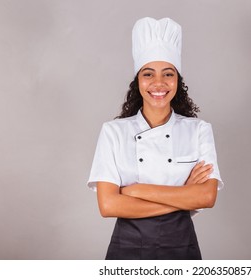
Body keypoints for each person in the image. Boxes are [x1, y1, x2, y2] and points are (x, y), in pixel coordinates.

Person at [87, 17, 223, 260]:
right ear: (138, 81)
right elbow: (108, 206)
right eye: (148, 74)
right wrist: (184, 195)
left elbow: (207, 197)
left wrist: (136, 191)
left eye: (168, 74)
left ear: (177, 81)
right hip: (127, 249)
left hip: (181, 248)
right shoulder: (113, 132)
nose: (158, 83)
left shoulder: (198, 130)